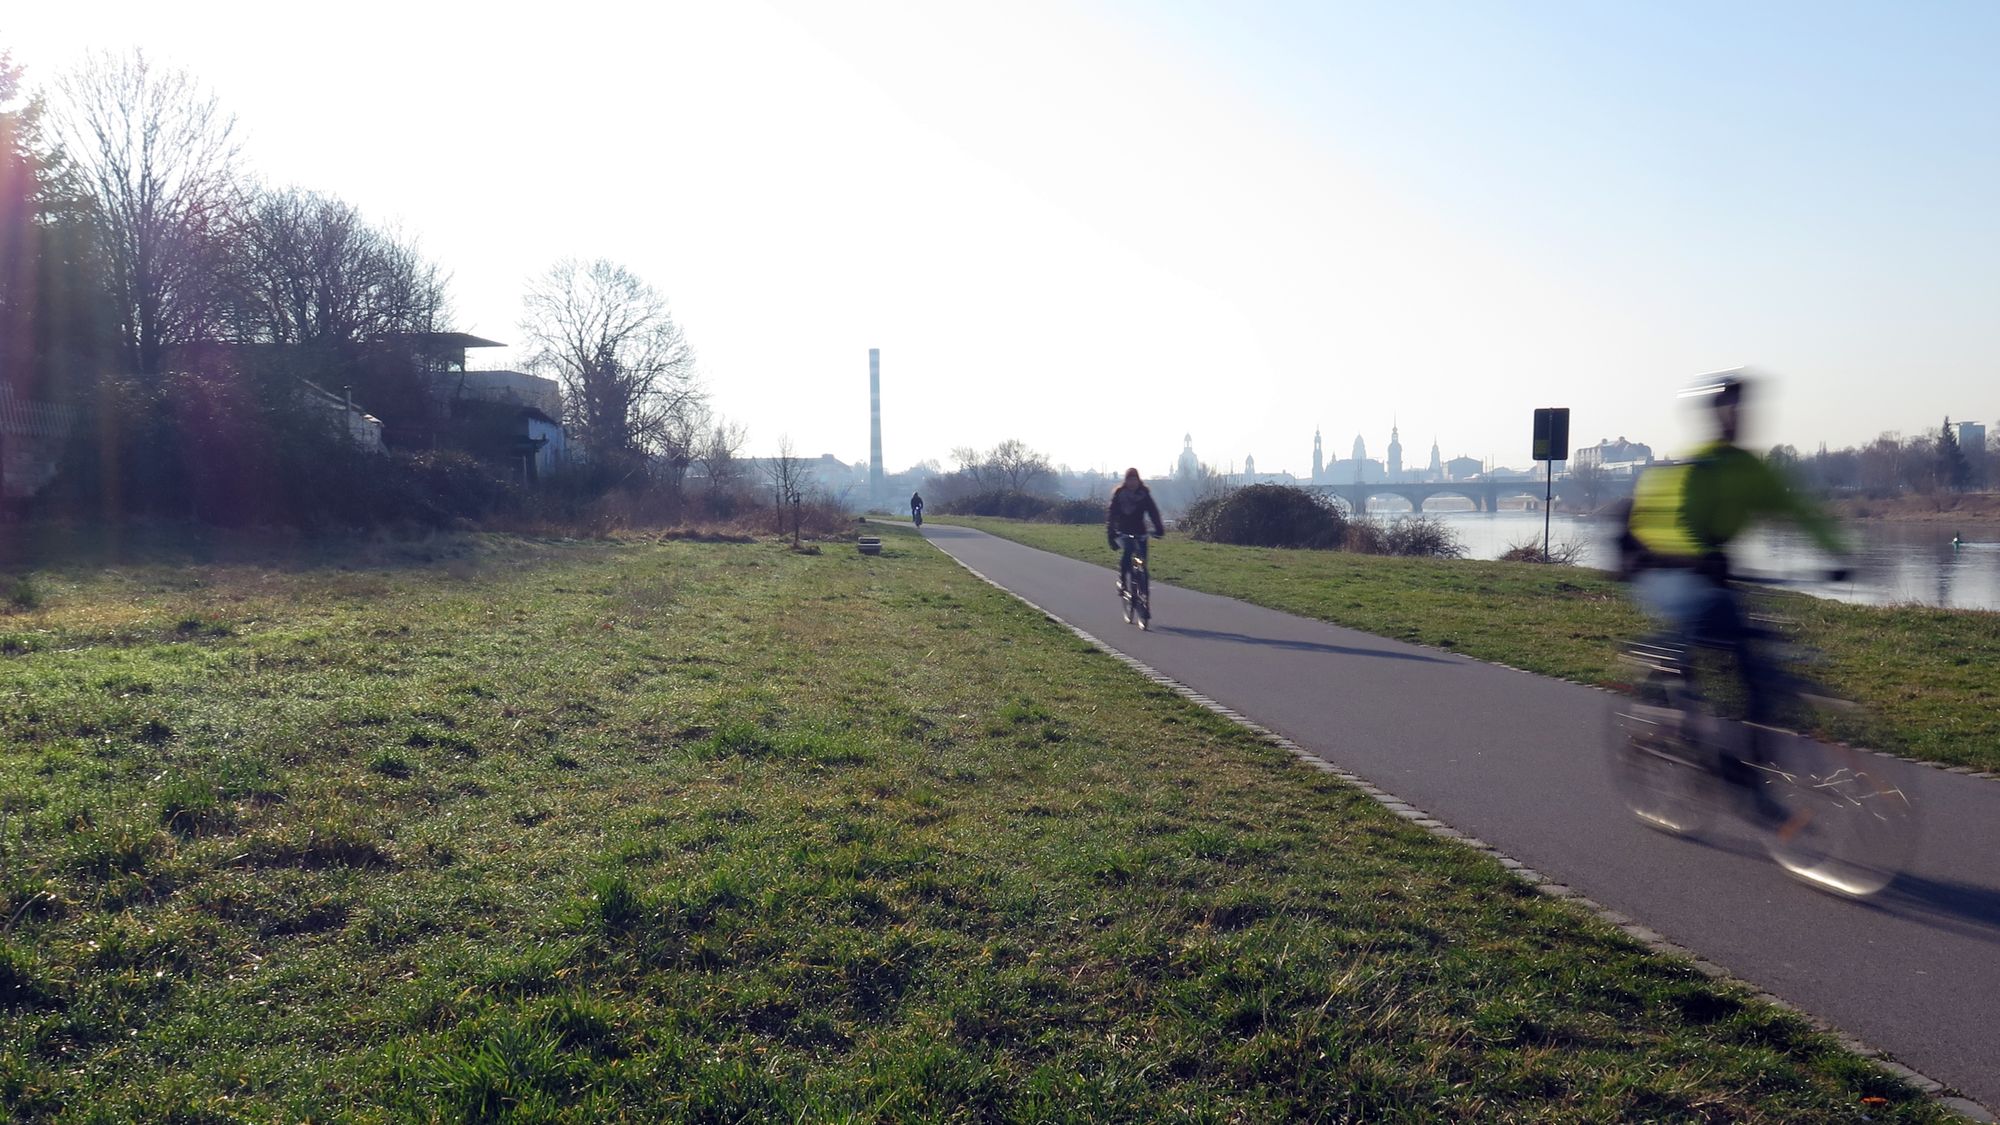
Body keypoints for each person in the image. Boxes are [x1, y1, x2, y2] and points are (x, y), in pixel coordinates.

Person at [1621, 370, 1847, 818]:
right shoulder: (1695, 467)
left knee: (1756, 661)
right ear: (1715, 415)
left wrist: (1836, 552)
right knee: (1710, 620)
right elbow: (1670, 523)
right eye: (1730, 409)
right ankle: (1678, 702)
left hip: (1712, 570)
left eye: (1743, 409)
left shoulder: (1750, 469)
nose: (1738, 417)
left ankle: (1749, 773)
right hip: (1664, 569)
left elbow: (1798, 511)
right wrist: (1697, 555)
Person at [1106, 468, 1165, 594]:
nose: (1132, 483)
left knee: (1142, 561)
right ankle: (1123, 580)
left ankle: (1143, 591)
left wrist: (1159, 528)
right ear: (1125, 481)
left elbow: (1153, 512)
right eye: (1130, 480)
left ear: (1138, 481)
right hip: (1124, 530)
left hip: (1140, 531)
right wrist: (1111, 533)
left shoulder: (1144, 495)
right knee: (1127, 553)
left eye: (1135, 480)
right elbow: (1112, 515)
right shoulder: (1119, 494)